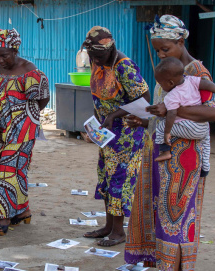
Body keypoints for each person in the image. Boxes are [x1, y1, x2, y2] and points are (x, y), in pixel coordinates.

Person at [125, 15, 215, 270]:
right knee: (162, 212)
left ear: (181, 41)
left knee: (176, 216)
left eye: (165, 48)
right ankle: (162, 264)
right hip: (162, 154)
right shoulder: (169, 70)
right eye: (157, 49)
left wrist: (172, 111)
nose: (159, 54)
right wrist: (145, 120)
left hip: (184, 160)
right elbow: (165, 109)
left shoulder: (196, 72)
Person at [80, 26, 150, 246]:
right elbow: (97, 93)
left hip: (127, 133)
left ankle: (119, 232)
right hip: (107, 131)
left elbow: (144, 99)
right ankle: (109, 226)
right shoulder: (96, 60)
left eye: (99, 55)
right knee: (106, 177)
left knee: (119, 179)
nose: (95, 60)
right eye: (92, 55)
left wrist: (114, 114)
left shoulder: (124, 66)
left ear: (111, 49)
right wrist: (97, 118)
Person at [0, 28, 50, 236]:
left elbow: (42, 98)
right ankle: (23, 211)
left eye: (5, 55)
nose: (0, 60)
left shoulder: (29, 70)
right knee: (11, 170)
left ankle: (5, 217)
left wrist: (25, 118)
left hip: (22, 130)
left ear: (15, 50)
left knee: (7, 171)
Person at [153, 57, 215, 161]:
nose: (161, 86)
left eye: (161, 84)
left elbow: (172, 114)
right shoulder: (192, 80)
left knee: (161, 126)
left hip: (188, 128)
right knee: (206, 145)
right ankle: (205, 166)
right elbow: (208, 84)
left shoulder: (171, 96)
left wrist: (167, 132)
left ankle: (165, 151)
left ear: (170, 83)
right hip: (203, 127)